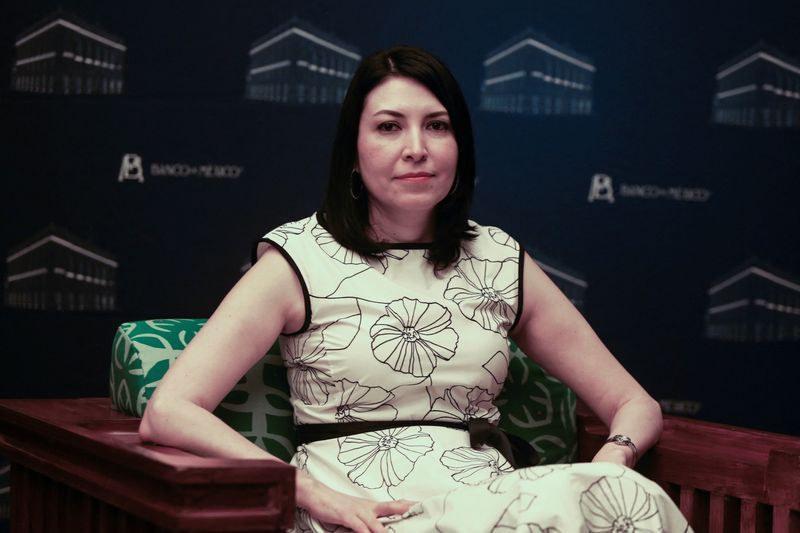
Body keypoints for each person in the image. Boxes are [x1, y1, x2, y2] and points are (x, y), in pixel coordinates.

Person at [140, 46, 690, 533]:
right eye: (388, 127)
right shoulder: (299, 258)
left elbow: (633, 403)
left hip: (492, 505)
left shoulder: (497, 258)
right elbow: (170, 410)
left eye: (437, 125)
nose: (416, 148)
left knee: (628, 496)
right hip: (362, 513)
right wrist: (307, 491)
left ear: (459, 147)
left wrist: (611, 464)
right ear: (353, 154)